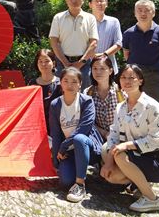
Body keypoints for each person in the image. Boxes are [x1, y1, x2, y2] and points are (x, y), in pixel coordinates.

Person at [100, 64, 159, 213]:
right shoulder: (121, 107)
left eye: (132, 78)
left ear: (140, 81)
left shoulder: (151, 106)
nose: (127, 81)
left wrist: (126, 145)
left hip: (158, 160)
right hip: (137, 156)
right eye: (123, 77)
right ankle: (140, 185)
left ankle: (151, 199)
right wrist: (108, 163)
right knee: (112, 175)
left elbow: (154, 139)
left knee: (120, 154)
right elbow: (114, 135)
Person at [49, 67, 103, 203]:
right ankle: (77, 173)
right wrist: (56, 162)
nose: (70, 85)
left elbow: (84, 129)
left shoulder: (87, 101)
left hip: (88, 148)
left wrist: (63, 147)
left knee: (79, 138)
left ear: (80, 84)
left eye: (74, 82)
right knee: (65, 181)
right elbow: (55, 134)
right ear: (61, 83)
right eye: (66, 81)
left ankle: (80, 185)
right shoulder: (55, 104)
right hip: (69, 151)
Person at [122, 0, 159, 136]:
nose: (143, 13)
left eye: (147, 10)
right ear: (135, 13)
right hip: (133, 79)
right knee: (133, 112)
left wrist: (157, 68)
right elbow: (127, 54)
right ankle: (134, 144)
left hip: (155, 79)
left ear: (153, 13)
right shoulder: (128, 33)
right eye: (140, 10)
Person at [49, 0, 99, 90]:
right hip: (61, 63)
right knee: (60, 93)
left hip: (84, 64)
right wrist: (65, 63)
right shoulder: (58, 18)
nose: (74, 0)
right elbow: (54, 42)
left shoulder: (90, 18)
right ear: (66, 0)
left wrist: (80, 63)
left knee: (85, 93)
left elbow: (93, 43)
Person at [84, 55, 126, 142]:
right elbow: (87, 120)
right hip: (96, 137)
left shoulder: (121, 92)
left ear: (110, 71)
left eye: (102, 68)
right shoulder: (87, 93)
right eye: (95, 68)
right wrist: (104, 133)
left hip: (119, 137)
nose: (98, 72)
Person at [28, 49, 63, 136]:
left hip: (56, 128)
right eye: (40, 61)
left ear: (54, 63)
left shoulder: (60, 84)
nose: (43, 64)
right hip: (36, 128)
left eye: (47, 61)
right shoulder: (32, 84)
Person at [88, 0, 122, 74]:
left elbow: (118, 43)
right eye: (96, 1)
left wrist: (104, 54)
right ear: (90, 4)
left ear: (106, 4)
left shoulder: (114, 22)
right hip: (88, 66)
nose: (99, 3)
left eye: (101, 1)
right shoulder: (84, 22)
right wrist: (91, 55)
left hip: (109, 66)